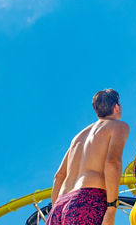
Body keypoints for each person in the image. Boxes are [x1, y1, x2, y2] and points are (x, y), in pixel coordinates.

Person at [48, 89, 130, 225]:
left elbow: (59, 176)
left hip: (59, 205)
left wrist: (57, 208)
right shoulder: (118, 126)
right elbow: (112, 163)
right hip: (87, 198)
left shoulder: (78, 137)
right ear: (116, 107)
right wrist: (111, 207)